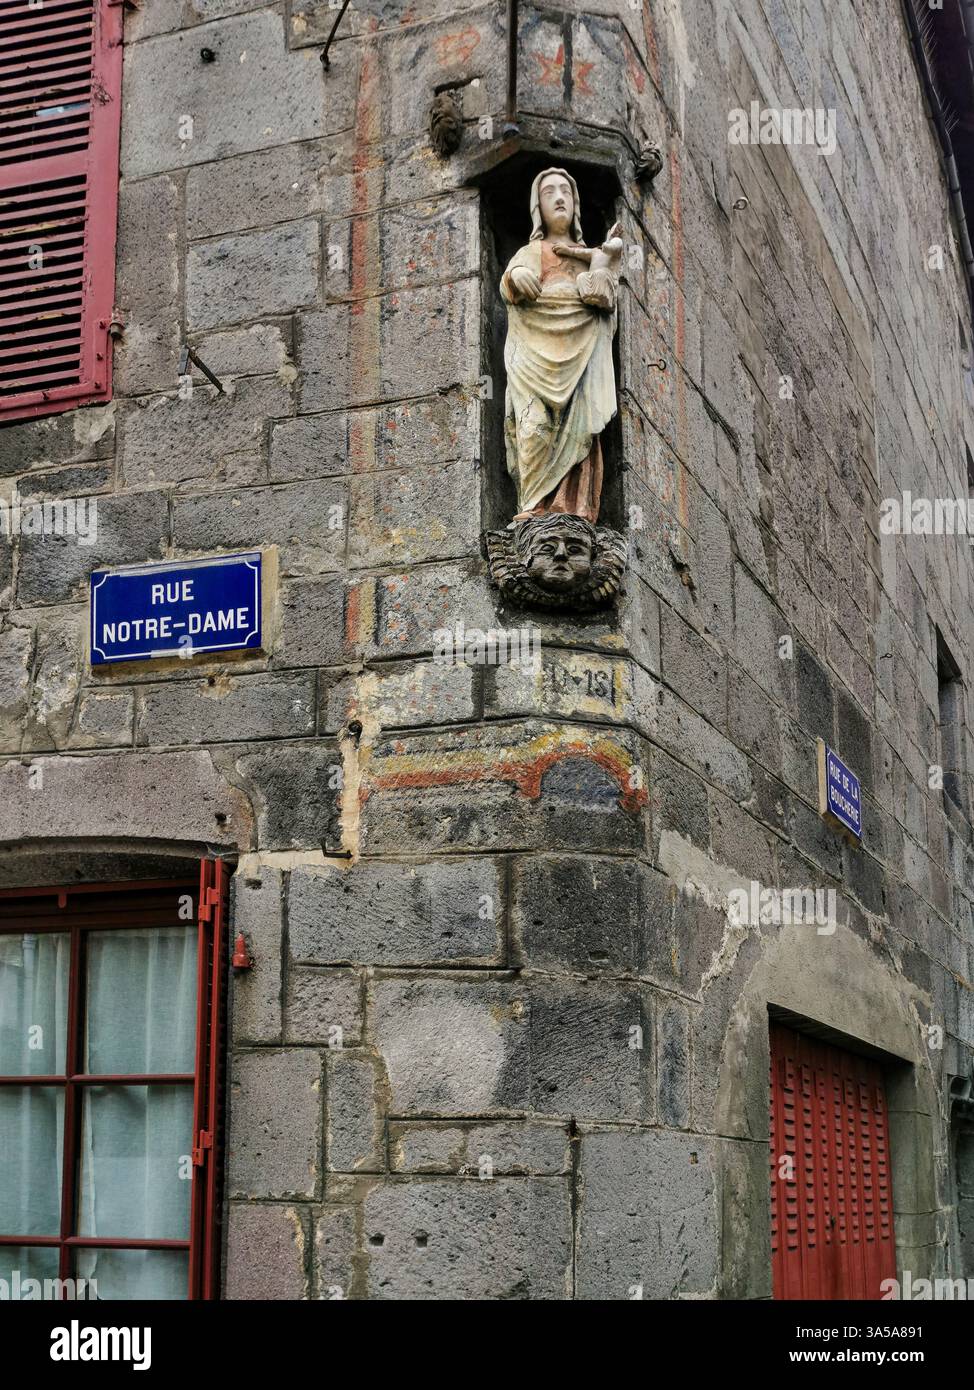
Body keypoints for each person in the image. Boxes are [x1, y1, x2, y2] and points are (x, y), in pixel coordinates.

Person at [500, 167, 622, 525]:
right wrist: (515, 277)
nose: (558, 198)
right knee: (534, 425)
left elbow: (604, 299)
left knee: (580, 429)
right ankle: (533, 504)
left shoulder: (590, 254)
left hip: (582, 357)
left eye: (566, 192)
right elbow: (509, 285)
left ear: (576, 204)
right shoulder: (531, 251)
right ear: (538, 205)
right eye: (549, 191)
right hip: (535, 358)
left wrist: (600, 267)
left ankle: (575, 511)